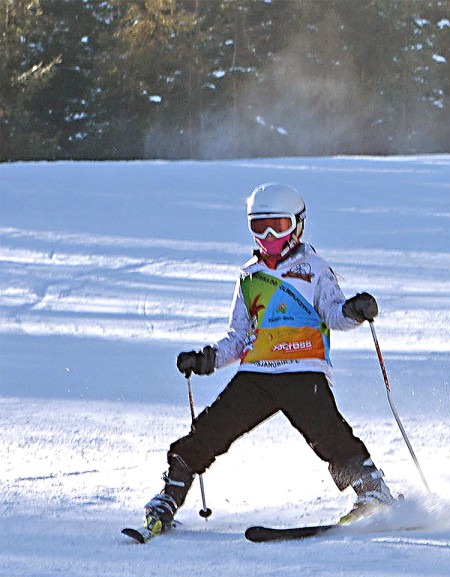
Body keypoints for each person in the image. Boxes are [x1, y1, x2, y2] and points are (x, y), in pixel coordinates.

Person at [139, 183, 396, 537]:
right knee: (209, 432)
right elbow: (239, 337)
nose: (270, 235)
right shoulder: (249, 276)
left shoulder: (315, 269)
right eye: (260, 227)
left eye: (279, 225)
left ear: (298, 225)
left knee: (329, 435)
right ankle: (169, 496)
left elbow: (334, 314)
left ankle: (373, 493)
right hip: (257, 374)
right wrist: (206, 360)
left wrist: (354, 310)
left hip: (303, 371)